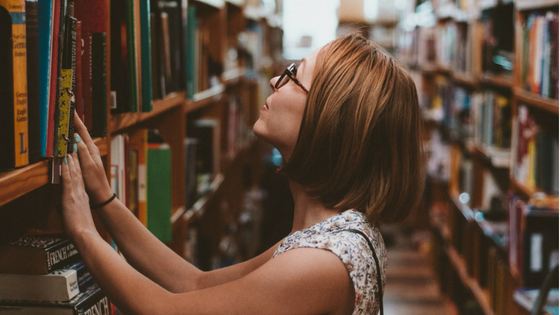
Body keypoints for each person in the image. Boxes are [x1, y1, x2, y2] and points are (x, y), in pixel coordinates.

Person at [61, 33, 425, 315]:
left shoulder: (323, 261)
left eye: (293, 75)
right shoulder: (328, 234)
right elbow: (192, 283)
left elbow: (164, 310)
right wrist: (105, 201)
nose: (274, 82)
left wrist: (82, 230)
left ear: (329, 120)